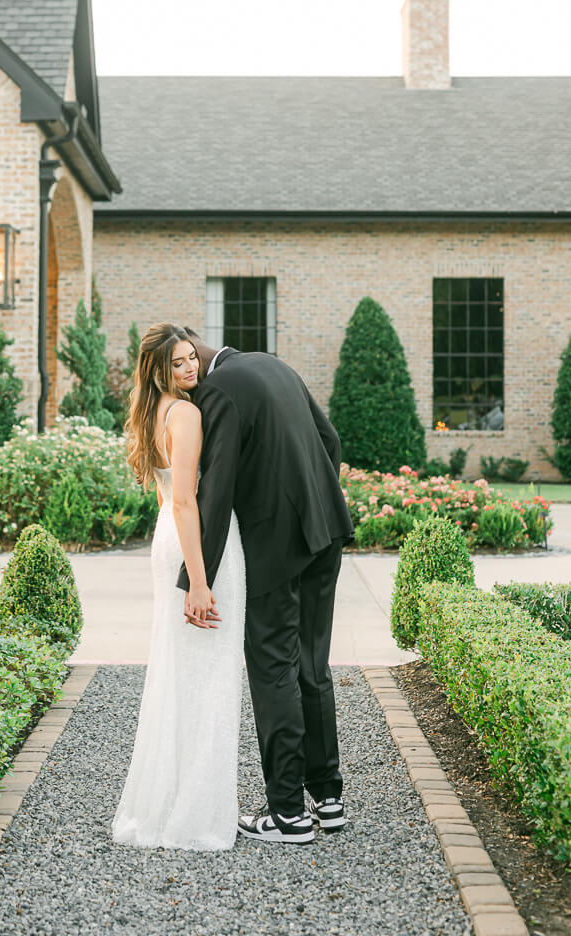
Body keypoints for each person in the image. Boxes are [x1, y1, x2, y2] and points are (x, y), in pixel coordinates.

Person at [179, 331, 354, 844]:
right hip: (326, 534)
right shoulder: (274, 365)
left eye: (187, 368)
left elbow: (217, 489)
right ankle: (328, 800)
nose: (187, 382)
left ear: (199, 357)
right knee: (312, 666)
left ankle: (286, 814)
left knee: (274, 668)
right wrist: (312, 502)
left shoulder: (218, 392)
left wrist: (197, 578)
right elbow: (330, 442)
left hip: (276, 552)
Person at [112, 323, 246, 850]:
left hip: (168, 534)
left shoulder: (151, 411)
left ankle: (173, 803)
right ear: (158, 369)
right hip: (195, 544)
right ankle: (196, 815)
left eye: (193, 359)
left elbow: (170, 499)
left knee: (179, 672)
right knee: (209, 676)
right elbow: (188, 499)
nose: (191, 369)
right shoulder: (186, 413)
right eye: (178, 363)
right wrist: (198, 579)